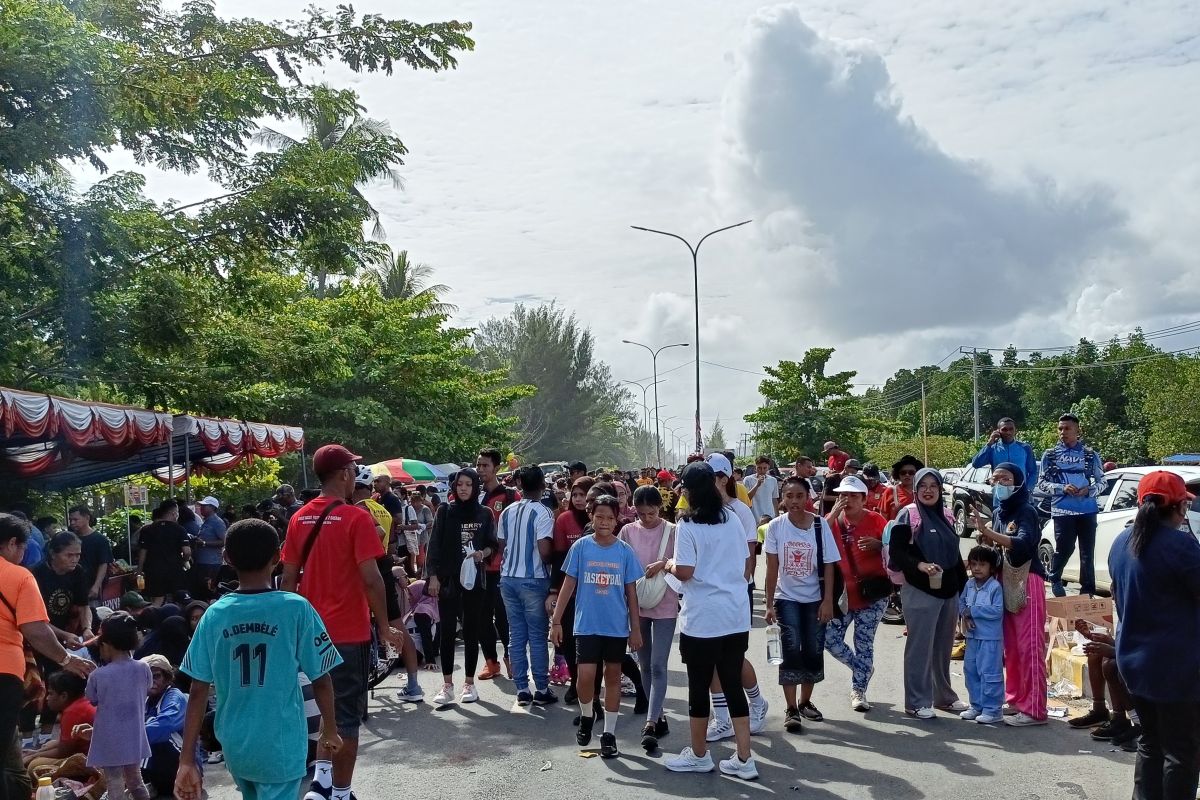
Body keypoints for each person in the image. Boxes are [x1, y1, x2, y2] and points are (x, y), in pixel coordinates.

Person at [176, 519, 342, 800]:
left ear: (226, 557)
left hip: (235, 744)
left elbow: (198, 691)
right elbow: (322, 679)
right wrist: (331, 730)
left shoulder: (214, 615)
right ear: (278, 557)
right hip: (282, 743)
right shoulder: (296, 608)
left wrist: (186, 759)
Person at [280, 444, 400, 800]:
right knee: (346, 719)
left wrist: (292, 634)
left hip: (309, 636)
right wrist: (383, 627)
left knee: (325, 715)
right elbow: (372, 579)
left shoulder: (298, 517)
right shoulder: (356, 518)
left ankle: (322, 783)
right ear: (345, 474)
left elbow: (287, 581)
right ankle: (341, 792)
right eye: (352, 469)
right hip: (347, 634)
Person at [1108, 470, 1200, 800]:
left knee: (1151, 742)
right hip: (1176, 667)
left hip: (1133, 662)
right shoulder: (1181, 546)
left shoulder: (1121, 542)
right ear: (1179, 508)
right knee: (1182, 752)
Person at [663, 462, 758, 780]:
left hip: (703, 618)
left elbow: (686, 572)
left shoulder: (687, 526)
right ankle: (745, 758)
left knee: (699, 687)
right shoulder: (732, 518)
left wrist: (668, 565)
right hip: (735, 615)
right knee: (732, 684)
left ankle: (699, 754)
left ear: (689, 492)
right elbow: (744, 560)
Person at [1, 513, 94, 800]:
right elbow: (35, 629)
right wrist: (68, 659)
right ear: (13, 544)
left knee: (10, 751)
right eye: (23, 548)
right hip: (4, 674)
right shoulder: (19, 575)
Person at [551, 494, 642, 759]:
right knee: (586, 677)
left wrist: (635, 628)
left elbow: (631, 594)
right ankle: (587, 715)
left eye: (610, 518)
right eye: (599, 516)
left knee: (612, 678)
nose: (604, 522)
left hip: (615, 627)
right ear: (591, 516)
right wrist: (556, 621)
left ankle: (610, 734)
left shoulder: (624, 551)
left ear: (617, 520)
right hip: (586, 625)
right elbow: (568, 586)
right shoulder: (581, 548)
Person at [887, 468, 968, 719]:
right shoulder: (908, 515)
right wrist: (920, 565)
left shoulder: (946, 515)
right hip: (920, 590)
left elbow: (954, 556)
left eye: (934, 485)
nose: (928, 490)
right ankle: (916, 702)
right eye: (923, 485)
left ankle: (944, 697)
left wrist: (965, 592)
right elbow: (897, 553)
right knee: (920, 649)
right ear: (915, 489)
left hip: (948, 591)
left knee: (943, 647)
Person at [972, 462, 1049, 727]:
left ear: (1017, 482)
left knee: (1030, 648)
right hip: (1006, 582)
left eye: (1005, 479)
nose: (999, 484)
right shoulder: (999, 512)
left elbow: (1026, 544)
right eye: (995, 480)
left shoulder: (1026, 510)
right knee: (1012, 648)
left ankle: (1035, 709)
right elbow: (997, 547)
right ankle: (1016, 699)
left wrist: (988, 532)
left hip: (1028, 582)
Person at [764, 476, 839, 734]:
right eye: (789, 496)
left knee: (813, 648)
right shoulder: (775, 527)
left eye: (799, 496)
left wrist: (828, 600)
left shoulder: (820, 525)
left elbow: (829, 565)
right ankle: (790, 708)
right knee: (790, 647)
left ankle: (805, 702)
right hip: (787, 599)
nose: (794, 501)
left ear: (808, 497)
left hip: (815, 599)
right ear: (782, 499)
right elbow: (772, 567)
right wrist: (769, 602)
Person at [702, 453, 769, 742]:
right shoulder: (701, 511)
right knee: (710, 660)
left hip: (735, 594)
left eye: (716, 477)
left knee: (732, 657)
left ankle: (757, 703)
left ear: (725, 478)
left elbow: (749, 559)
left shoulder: (740, 511)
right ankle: (722, 719)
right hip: (708, 596)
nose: (711, 482)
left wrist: (735, 590)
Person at [425, 468, 499, 706]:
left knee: (471, 631)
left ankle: (469, 683)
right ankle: (447, 684)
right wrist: (433, 577)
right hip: (448, 579)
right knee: (447, 632)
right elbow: (434, 545)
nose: (464, 488)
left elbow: (493, 545)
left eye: (468, 484)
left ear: (475, 487)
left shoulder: (485, 513)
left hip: (475, 580)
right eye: (460, 484)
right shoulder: (445, 512)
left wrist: (481, 554)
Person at [823, 475, 890, 712]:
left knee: (864, 643)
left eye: (853, 495)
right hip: (843, 596)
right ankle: (862, 668)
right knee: (829, 639)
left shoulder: (876, 520)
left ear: (864, 499)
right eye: (843, 495)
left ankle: (858, 690)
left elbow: (897, 550)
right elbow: (816, 539)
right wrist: (832, 516)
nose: (848, 500)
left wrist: (880, 544)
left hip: (873, 595)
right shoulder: (831, 522)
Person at [618, 486, 677, 753]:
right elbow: (620, 564)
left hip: (665, 603)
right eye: (640, 514)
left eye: (651, 513)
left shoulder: (673, 531)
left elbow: (684, 562)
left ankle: (651, 722)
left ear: (660, 508)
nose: (646, 518)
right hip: (636, 604)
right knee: (644, 664)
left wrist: (664, 563)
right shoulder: (628, 531)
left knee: (658, 665)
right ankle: (659, 713)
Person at [496, 466, 557, 706]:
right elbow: (544, 550)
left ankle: (522, 687)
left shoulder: (508, 511)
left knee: (516, 634)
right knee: (538, 636)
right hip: (534, 579)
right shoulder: (543, 512)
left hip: (508, 578)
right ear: (543, 485)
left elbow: (501, 544)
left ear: (520, 485)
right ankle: (541, 687)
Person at [85, 612, 153, 800]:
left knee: (114, 784)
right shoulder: (144, 668)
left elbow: (92, 699)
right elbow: (147, 689)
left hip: (109, 738)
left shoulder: (98, 676)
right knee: (135, 781)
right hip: (135, 734)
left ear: (105, 645)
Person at [1039, 413, 1107, 597]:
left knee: (1087, 553)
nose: (1063, 432)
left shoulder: (1091, 455)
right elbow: (1042, 483)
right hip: (1062, 511)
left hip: (1088, 510)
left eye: (1067, 428)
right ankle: (1054, 578)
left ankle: (1088, 591)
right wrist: (1061, 488)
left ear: (1078, 431)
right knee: (1065, 548)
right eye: (1060, 428)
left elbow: (1103, 482)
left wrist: (1090, 490)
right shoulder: (1050, 455)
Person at [476, 448, 519, 681]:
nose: (481, 469)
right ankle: (491, 662)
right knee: (481, 617)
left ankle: (511, 658)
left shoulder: (512, 496)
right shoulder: (474, 496)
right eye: (479, 465)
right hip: (478, 568)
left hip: (504, 568)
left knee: (503, 616)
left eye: (485, 465)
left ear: (497, 468)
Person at [550, 476, 594, 704]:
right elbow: (558, 557)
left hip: (596, 593)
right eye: (574, 495)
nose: (578, 499)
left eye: (582, 494)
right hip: (570, 591)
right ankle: (577, 683)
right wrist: (553, 590)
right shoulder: (563, 520)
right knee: (567, 639)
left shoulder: (600, 516)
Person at [958, 546, 1004, 724]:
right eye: (974, 564)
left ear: (991, 568)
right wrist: (965, 614)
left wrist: (973, 611)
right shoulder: (969, 584)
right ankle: (976, 705)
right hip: (972, 637)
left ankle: (992, 709)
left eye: (982, 564)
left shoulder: (994, 587)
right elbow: (961, 603)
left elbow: (997, 611)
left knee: (989, 673)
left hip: (990, 639)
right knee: (971, 671)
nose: (977, 568)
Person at [21, 670, 93, 784]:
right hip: (83, 754)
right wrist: (37, 752)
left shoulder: (73, 712)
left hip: (88, 762)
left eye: (50, 693)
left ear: (63, 696)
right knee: (48, 745)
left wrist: (34, 755)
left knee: (33, 765)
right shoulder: (81, 703)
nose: (47, 698)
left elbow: (63, 751)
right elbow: (65, 743)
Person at [138, 654, 194, 793]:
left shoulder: (174, 697)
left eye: (156, 676)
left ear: (167, 678)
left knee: (149, 733)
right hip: (161, 767)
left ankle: (144, 783)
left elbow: (165, 726)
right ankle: (144, 783)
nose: (151, 681)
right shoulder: (145, 699)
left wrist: (127, 736)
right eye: (146, 677)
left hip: (181, 763)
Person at [136, 504, 191, 606]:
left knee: (157, 600)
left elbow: (142, 552)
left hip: (153, 571)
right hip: (175, 570)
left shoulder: (147, 530)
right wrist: (184, 560)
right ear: (174, 513)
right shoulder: (179, 529)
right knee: (178, 599)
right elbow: (187, 551)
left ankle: (153, 619)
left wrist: (139, 571)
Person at [971, 417, 1039, 490]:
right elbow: (976, 464)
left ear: (1015, 430)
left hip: (1020, 493)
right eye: (1004, 429)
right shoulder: (992, 448)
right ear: (998, 431)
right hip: (1000, 493)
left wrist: (1028, 490)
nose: (1008, 432)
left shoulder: (1025, 448)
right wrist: (989, 443)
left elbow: (1033, 472)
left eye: (1011, 429)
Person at [68, 505, 111, 607]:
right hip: (71, 586)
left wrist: (96, 586)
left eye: (75, 519)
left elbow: (103, 564)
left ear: (87, 518)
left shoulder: (100, 540)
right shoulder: (69, 538)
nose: (72, 523)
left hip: (90, 586)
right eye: (71, 520)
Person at [192, 498, 226, 600]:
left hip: (211, 563)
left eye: (204, 506)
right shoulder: (206, 521)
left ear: (212, 508)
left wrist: (204, 543)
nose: (201, 508)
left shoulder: (217, 522)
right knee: (202, 589)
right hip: (203, 562)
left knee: (208, 590)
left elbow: (224, 541)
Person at [744, 456, 780, 526]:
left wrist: (777, 517)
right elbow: (747, 499)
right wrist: (757, 485)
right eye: (759, 468)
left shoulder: (773, 480)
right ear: (755, 468)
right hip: (754, 517)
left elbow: (774, 500)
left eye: (765, 468)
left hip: (770, 517)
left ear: (768, 468)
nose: (762, 470)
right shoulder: (748, 479)